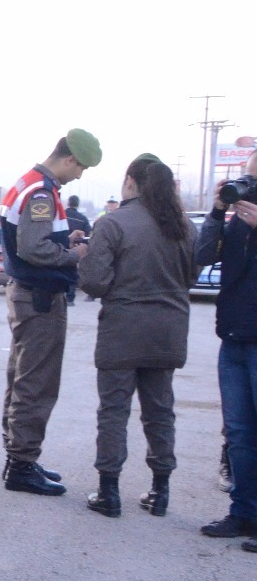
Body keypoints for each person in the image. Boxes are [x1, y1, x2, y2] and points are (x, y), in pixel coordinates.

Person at [75, 155, 196, 517]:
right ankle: (160, 491)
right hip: (168, 332)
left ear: (130, 182)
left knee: (113, 411)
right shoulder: (184, 227)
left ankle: (108, 492)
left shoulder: (113, 223)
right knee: (160, 411)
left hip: (122, 332)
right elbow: (190, 277)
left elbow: (94, 282)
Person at [0, 128, 100, 496]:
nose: (80, 175)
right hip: (39, 296)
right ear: (69, 159)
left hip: (26, 293)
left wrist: (64, 239)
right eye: (81, 168)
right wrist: (75, 255)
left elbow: (33, 239)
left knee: (22, 376)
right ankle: (21, 464)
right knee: (36, 382)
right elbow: (32, 247)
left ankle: (18, 456)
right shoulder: (41, 190)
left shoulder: (30, 183)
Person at [195, 150, 257, 547]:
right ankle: (244, 513)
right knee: (238, 433)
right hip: (233, 336)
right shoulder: (236, 220)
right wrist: (218, 213)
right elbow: (201, 257)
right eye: (249, 179)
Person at [66, 194, 93, 303]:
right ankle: (70, 298)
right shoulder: (83, 218)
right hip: (76, 248)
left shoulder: (62, 214)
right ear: (78, 205)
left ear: (68, 203)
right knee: (72, 271)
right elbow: (87, 235)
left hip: (61, 246)